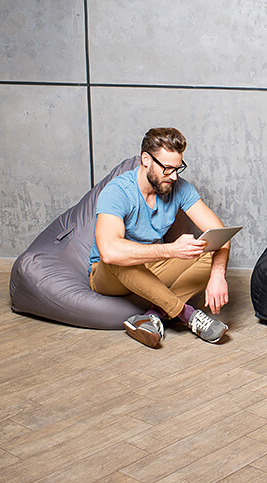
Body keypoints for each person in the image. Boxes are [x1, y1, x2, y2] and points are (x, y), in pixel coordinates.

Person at [89, 127, 231, 348]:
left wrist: (218, 275)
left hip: (152, 267)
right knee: (119, 256)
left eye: (178, 168)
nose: (173, 176)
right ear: (146, 159)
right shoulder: (117, 192)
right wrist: (171, 250)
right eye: (167, 169)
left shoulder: (179, 188)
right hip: (109, 276)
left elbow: (220, 234)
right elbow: (109, 251)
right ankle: (187, 315)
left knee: (206, 252)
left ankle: (152, 316)